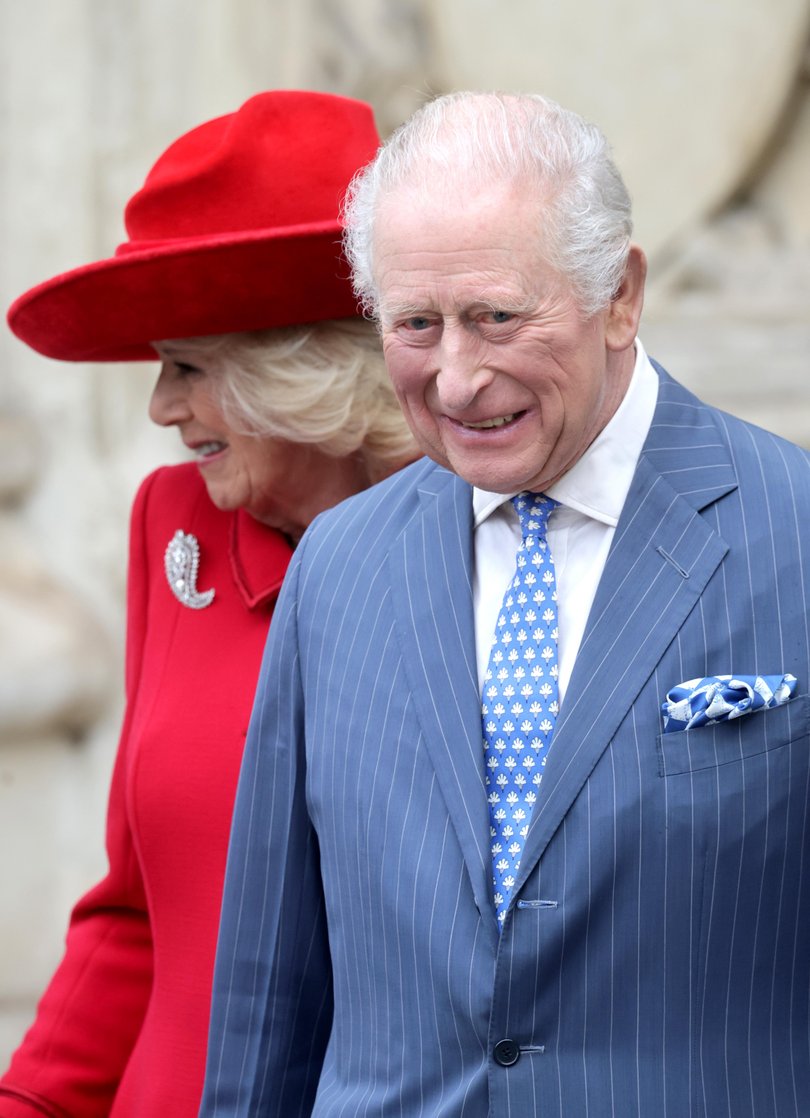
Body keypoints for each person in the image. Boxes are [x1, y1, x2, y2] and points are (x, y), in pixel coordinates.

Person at [201, 90, 810, 1117]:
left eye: (495, 316)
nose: (455, 376)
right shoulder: (338, 568)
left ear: (620, 295)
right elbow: (272, 994)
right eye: (416, 324)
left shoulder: (794, 531)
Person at [0, 90, 417, 1118]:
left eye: (187, 367)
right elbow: (132, 913)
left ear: (303, 372)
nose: (160, 407)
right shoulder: (173, 523)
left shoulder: (482, 553)